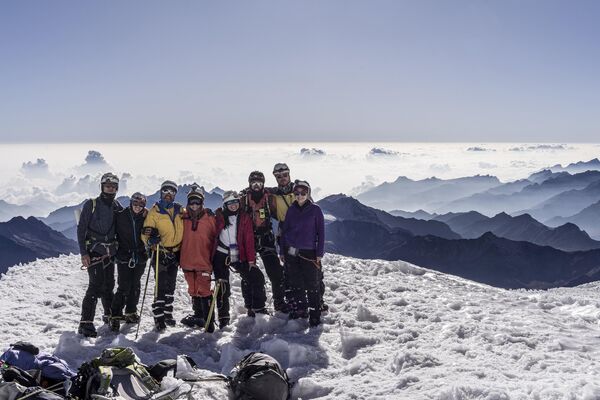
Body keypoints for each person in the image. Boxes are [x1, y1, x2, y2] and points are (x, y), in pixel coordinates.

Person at [267, 164, 327, 313]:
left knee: (315, 274)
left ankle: (318, 301)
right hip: (287, 233)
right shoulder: (273, 194)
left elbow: (312, 210)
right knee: (290, 272)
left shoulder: (300, 189)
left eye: (285, 175)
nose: (282, 178)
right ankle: (296, 303)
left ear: (289, 175)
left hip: (305, 236)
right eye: (279, 176)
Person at [77, 172, 123, 337]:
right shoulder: (92, 204)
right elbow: (81, 228)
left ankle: (108, 314)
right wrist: (84, 253)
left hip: (109, 253)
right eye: (107, 186)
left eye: (113, 187)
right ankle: (85, 323)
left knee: (109, 285)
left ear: (116, 189)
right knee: (95, 286)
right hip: (94, 252)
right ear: (102, 187)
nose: (110, 189)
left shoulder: (117, 205)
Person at [213, 191, 268, 325]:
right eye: (230, 203)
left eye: (235, 202)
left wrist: (251, 260)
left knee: (256, 278)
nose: (233, 206)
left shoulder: (244, 217)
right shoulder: (218, 217)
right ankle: (223, 317)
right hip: (221, 254)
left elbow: (249, 240)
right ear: (225, 204)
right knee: (222, 287)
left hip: (239, 254)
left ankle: (256, 308)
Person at [280, 180, 325, 327]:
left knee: (312, 284)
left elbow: (321, 233)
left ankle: (315, 313)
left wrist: (319, 253)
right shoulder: (291, 210)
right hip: (291, 252)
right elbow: (285, 231)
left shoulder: (315, 210)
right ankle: (301, 310)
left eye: (303, 193)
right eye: (297, 193)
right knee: (296, 283)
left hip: (309, 252)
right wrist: (282, 251)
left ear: (308, 194)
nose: (300, 196)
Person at [240, 171, 286, 312]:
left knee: (276, 272)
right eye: (253, 183)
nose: (256, 186)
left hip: (266, 237)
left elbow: (280, 213)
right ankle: (250, 306)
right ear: (249, 184)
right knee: (249, 273)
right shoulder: (243, 199)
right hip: (249, 239)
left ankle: (279, 302)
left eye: (259, 183)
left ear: (263, 184)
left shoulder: (269, 198)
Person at [142, 180, 184, 332]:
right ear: (161, 192)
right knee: (160, 286)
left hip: (175, 253)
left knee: (170, 286)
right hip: (160, 252)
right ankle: (159, 317)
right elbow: (145, 233)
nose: (168, 194)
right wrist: (150, 238)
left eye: (171, 192)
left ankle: (167, 313)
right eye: (165, 191)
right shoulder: (155, 211)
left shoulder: (179, 210)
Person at [179, 185, 218, 333]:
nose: (194, 206)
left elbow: (217, 236)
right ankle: (198, 316)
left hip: (204, 261)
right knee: (193, 289)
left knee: (205, 290)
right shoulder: (183, 217)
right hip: (187, 260)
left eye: (197, 203)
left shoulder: (209, 218)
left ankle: (209, 320)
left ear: (202, 203)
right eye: (191, 203)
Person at [109, 192, 149, 332]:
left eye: (141, 204)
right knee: (124, 285)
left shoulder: (147, 217)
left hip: (140, 254)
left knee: (135, 284)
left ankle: (131, 311)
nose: (137, 207)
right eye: (135, 203)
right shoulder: (121, 215)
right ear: (131, 203)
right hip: (124, 254)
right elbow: (112, 231)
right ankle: (115, 315)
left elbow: (154, 228)